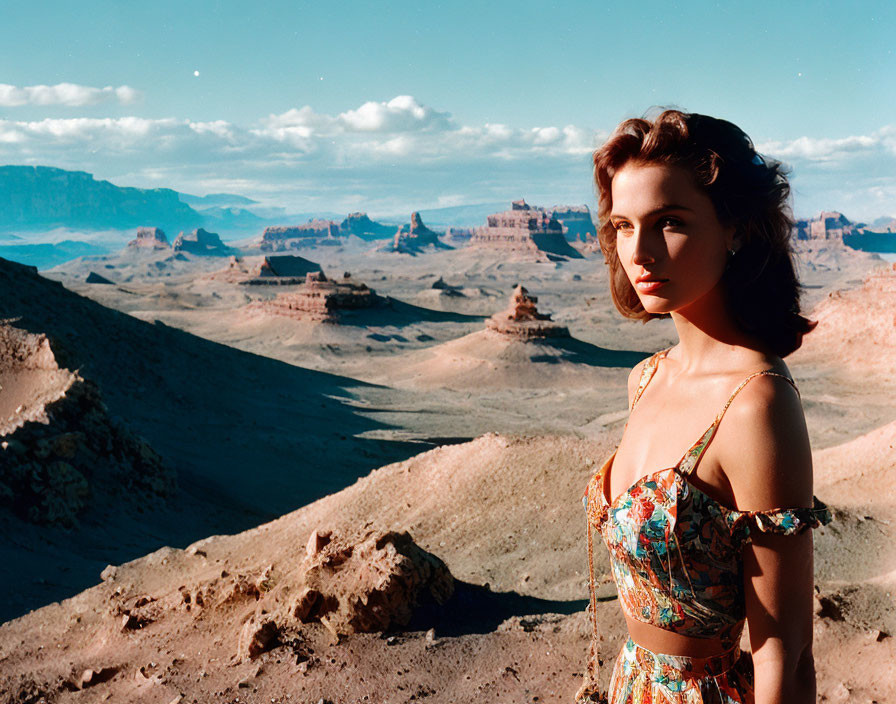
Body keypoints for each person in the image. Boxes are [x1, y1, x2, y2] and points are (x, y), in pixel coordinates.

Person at [577, 109, 832, 704]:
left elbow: (786, 657)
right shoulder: (644, 379)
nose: (639, 252)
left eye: (668, 222)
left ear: (737, 228)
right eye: (622, 225)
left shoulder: (755, 403)